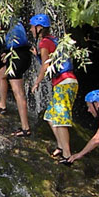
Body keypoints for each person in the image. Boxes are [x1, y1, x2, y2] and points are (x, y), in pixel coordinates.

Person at [30, 13, 77, 162]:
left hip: (63, 82)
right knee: (50, 116)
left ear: (39, 28)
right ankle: (61, 146)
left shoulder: (44, 42)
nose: (31, 29)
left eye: (32, 27)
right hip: (68, 81)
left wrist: (37, 82)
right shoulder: (54, 40)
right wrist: (37, 56)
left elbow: (46, 66)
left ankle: (67, 155)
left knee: (60, 119)